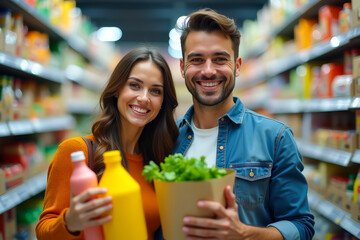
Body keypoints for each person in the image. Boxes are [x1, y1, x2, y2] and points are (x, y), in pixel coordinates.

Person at [173, 8, 315, 240]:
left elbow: (301, 226)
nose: (208, 71)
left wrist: (245, 234)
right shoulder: (166, 137)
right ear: (182, 68)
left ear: (238, 66)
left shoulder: (275, 138)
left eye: (220, 59)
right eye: (196, 60)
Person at [36, 47, 178, 240]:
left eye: (155, 91)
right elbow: (44, 232)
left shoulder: (158, 160)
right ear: (117, 89)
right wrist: (70, 222)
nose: (144, 98)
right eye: (135, 85)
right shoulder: (77, 152)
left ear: (163, 102)